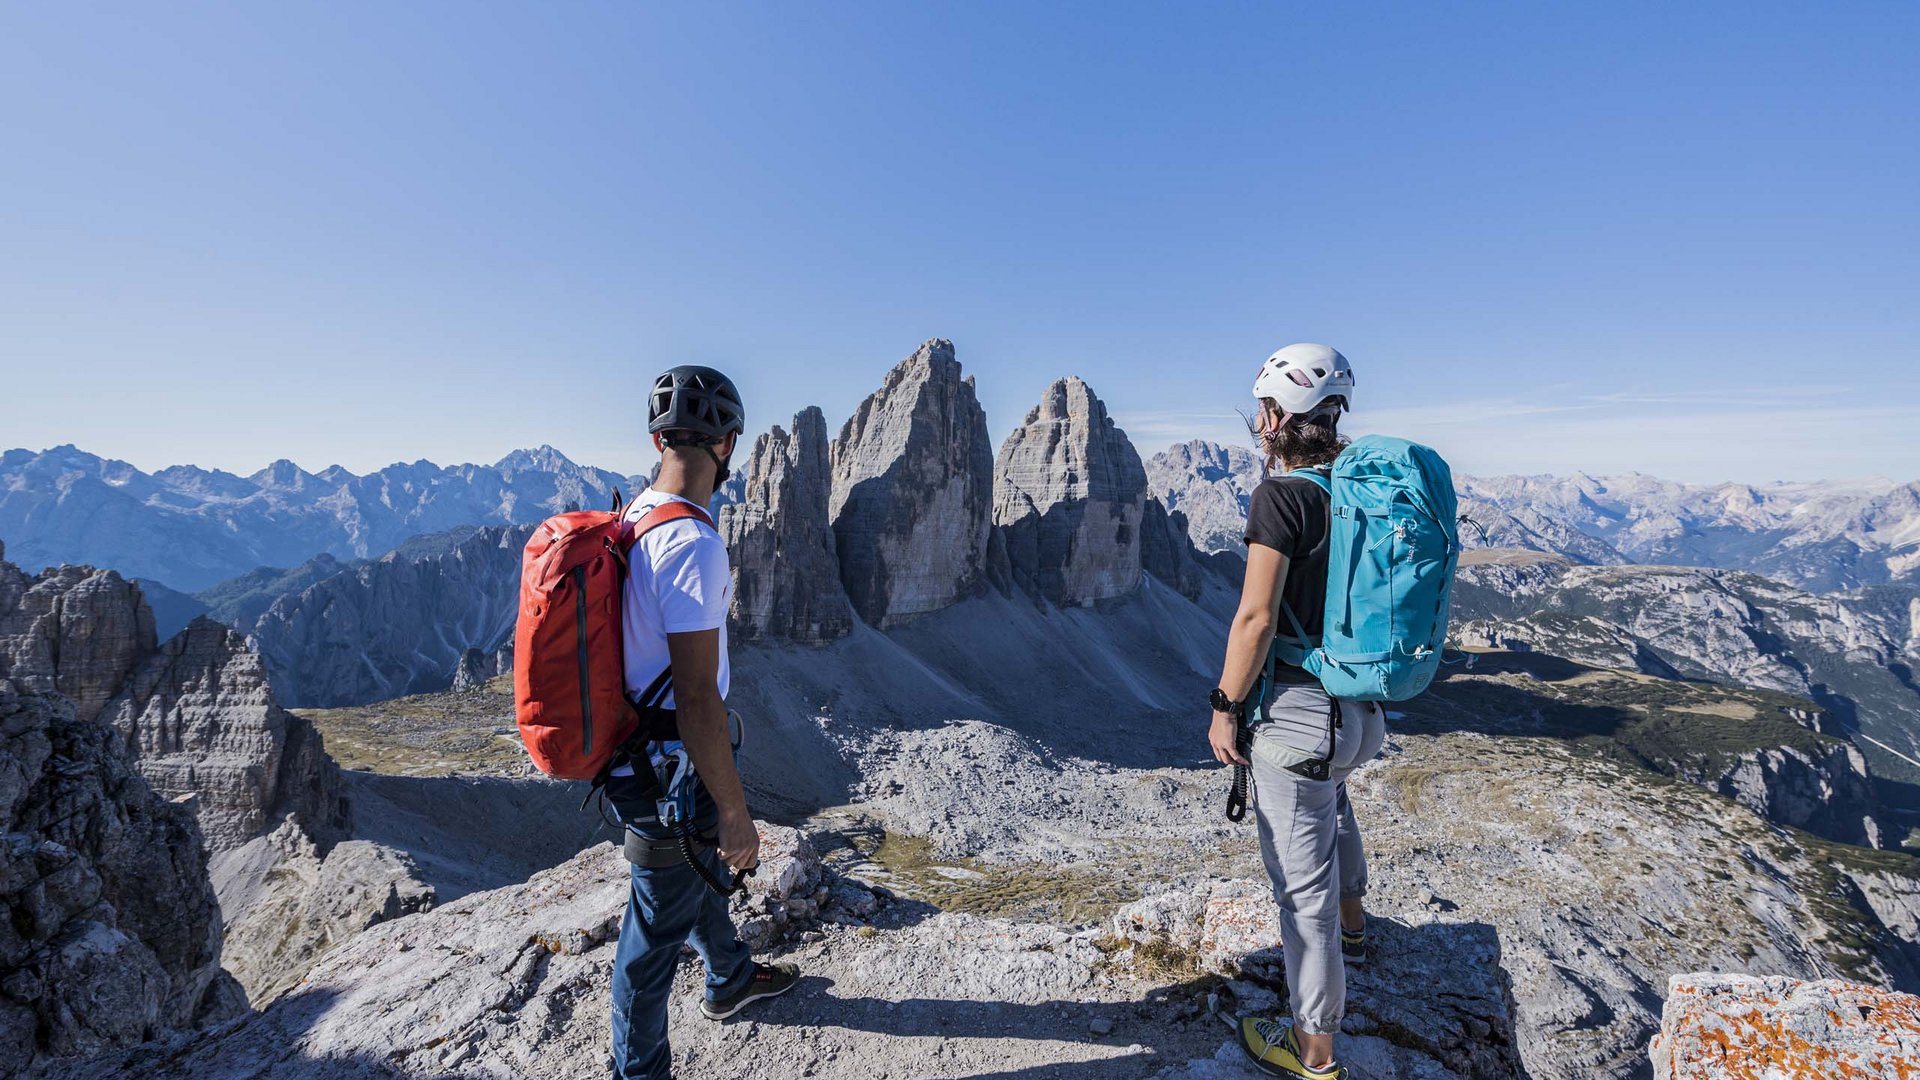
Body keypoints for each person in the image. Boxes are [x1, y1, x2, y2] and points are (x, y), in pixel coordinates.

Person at [605, 365, 797, 1080]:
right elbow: (696, 700)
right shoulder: (691, 543)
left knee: (695, 870)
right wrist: (735, 809)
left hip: (640, 755)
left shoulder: (638, 516)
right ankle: (639, 1071)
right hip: (668, 771)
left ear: (658, 438)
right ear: (730, 444)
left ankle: (729, 975)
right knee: (649, 942)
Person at [1207, 343, 1386, 1080]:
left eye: (1262, 409)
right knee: (1336, 805)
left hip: (1301, 718)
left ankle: (1314, 1052)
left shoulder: (1282, 498)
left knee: (1298, 892)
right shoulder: (1358, 493)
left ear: (1278, 416)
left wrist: (1225, 707)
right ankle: (1360, 930)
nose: (1258, 420)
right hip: (1363, 714)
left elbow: (1254, 619)